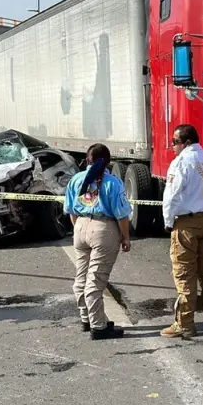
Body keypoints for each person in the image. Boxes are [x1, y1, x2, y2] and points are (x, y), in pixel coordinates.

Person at [161, 124, 203, 339]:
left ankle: (185, 323)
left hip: (186, 223)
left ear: (186, 142)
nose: (172, 146)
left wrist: (168, 221)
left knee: (184, 274)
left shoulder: (181, 162)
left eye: (175, 142)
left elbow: (171, 196)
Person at [63, 143, 132, 340]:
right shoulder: (113, 182)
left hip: (80, 227)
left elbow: (70, 209)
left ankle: (87, 317)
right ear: (108, 161)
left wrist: (80, 227)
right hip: (103, 228)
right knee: (96, 279)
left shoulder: (75, 179)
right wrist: (125, 237)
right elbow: (121, 214)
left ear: (87, 159)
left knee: (82, 276)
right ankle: (99, 326)